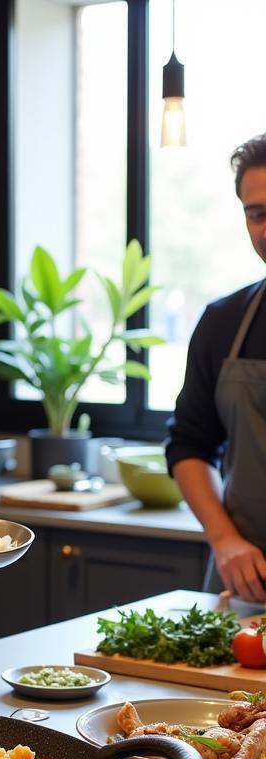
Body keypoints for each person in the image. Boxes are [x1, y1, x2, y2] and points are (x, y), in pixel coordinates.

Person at [166, 131, 266, 604]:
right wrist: (224, 539)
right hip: (247, 580)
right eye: (256, 214)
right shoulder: (224, 322)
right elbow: (189, 444)